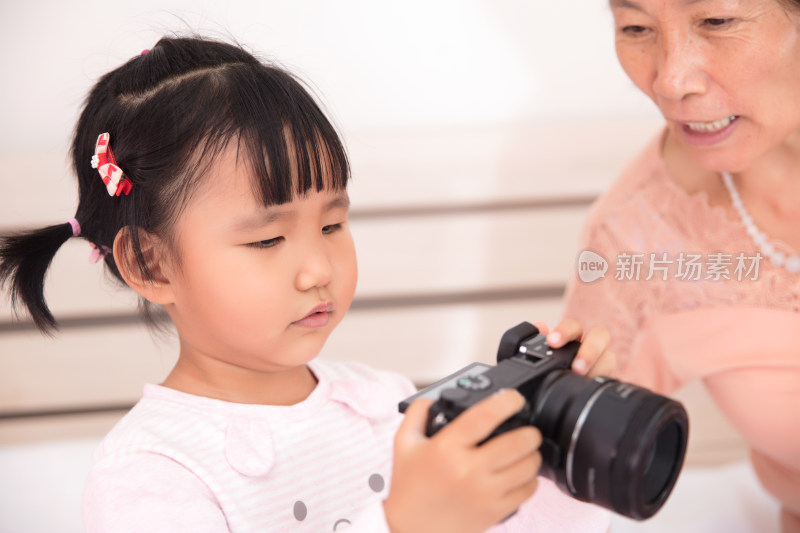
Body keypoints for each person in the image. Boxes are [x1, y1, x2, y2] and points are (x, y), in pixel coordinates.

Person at [0, 36, 614, 532]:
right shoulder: (152, 473)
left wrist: (564, 448)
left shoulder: (383, 401)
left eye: (332, 223)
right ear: (151, 264)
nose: (318, 268)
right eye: (267, 239)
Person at [562, 1, 800, 531]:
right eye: (637, 28)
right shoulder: (635, 243)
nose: (670, 80)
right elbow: (569, 475)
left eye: (717, 21)